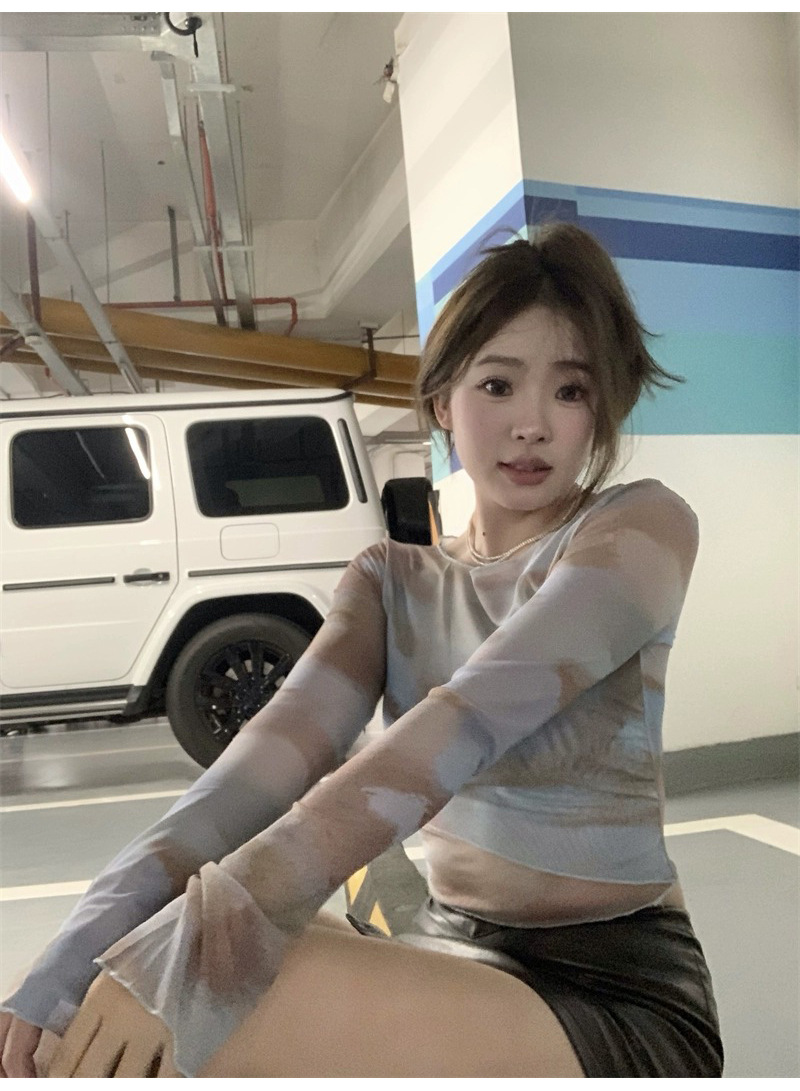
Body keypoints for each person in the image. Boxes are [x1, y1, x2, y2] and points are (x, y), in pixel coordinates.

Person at [0, 222, 723, 1078]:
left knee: (199, 985)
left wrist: (201, 936)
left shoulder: (640, 528)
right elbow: (256, 771)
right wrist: (70, 952)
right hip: (449, 947)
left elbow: (467, 721)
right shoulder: (389, 579)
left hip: (611, 986)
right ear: (444, 400)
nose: (532, 424)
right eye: (498, 384)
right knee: (101, 982)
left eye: (571, 391)